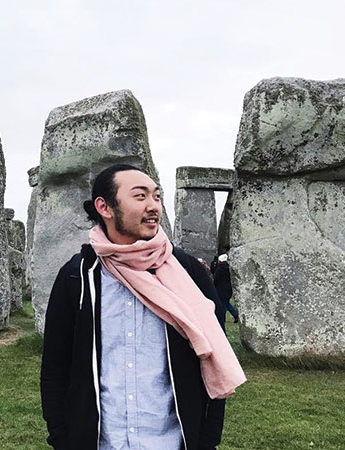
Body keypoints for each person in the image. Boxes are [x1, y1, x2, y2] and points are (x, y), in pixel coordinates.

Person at [41, 164, 246, 450]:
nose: (153, 207)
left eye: (157, 197)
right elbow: (55, 366)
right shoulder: (77, 277)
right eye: (140, 196)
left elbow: (213, 357)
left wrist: (207, 441)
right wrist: (61, 438)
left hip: (172, 442)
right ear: (105, 207)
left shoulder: (188, 272)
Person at [213, 254, 239, 323]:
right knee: (226, 303)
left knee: (222, 305)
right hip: (228, 288)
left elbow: (216, 279)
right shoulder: (230, 269)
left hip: (220, 289)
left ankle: (222, 319)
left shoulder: (219, 269)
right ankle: (235, 314)